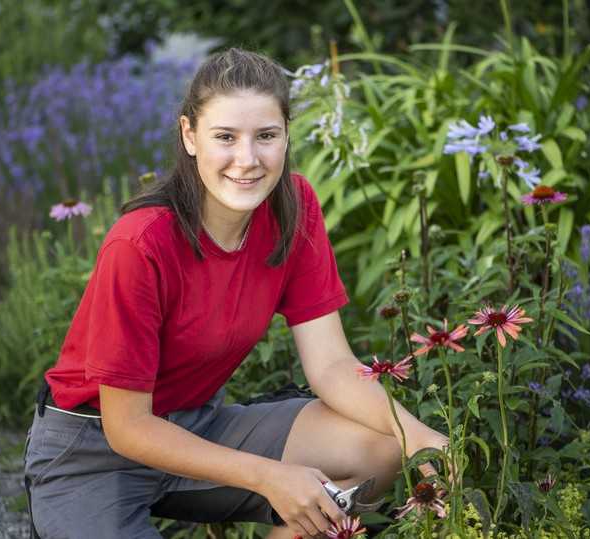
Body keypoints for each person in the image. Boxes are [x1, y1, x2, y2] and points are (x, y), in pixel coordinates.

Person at [23, 47, 448, 539]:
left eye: (266, 136)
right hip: (92, 448)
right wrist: (270, 477)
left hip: (199, 424)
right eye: (225, 137)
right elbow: (129, 428)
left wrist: (423, 440)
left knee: (379, 450)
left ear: (287, 135)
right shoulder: (139, 244)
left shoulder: (294, 207)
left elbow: (331, 365)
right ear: (189, 135)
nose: (247, 161)